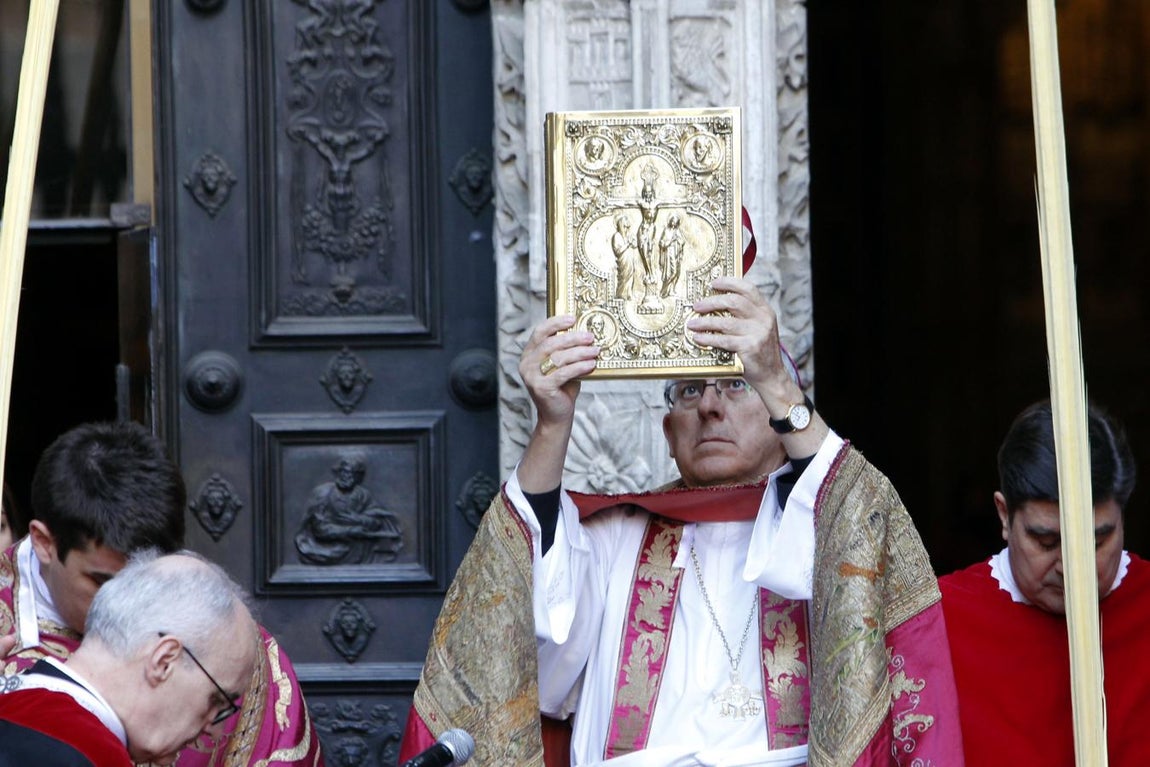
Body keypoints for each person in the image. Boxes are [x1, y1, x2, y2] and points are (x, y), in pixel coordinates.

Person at [400, 276, 964, 766]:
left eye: (736, 384)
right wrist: (551, 425)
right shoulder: (615, 535)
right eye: (690, 389)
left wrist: (774, 378)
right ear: (669, 434)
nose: (711, 406)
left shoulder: (818, 531)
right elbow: (527, 652)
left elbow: (868, 529)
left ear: (777, 415)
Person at [0, 421, 325, 766]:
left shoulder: (220, 649)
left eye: (145, 582)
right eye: (106, 583)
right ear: (45, 542)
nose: (128, 603)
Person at [939, 399, 1147, 766]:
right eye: (1047, 542)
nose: (1072, 568)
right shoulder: (939, 620)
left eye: (1096, 542)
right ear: (1005, 515)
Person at [0, 550, 260, 766]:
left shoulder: (12, 704)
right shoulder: (88, 755)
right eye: (216, 700)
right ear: (164, 660)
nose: (213, 730)